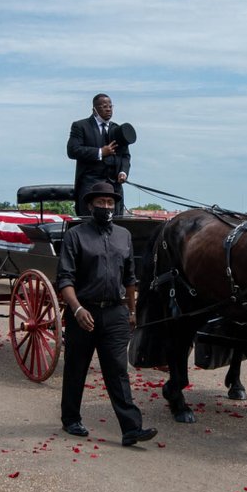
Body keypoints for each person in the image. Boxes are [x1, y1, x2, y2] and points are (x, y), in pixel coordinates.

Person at [56, 182, 157, 446]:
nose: (106, 207)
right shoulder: (75, 236)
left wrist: (131, 310)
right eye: (100, 203)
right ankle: (71, 419)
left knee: (117, 371)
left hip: (114, 313)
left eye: (110, 203)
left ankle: (131, 429)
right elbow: (65, 279)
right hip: (84, 312)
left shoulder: (123, 236)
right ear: (90, 205)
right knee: (76, 367)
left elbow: (131, 277)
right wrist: (76, 309)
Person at [67, 93, 130, 216]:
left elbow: (125, 156)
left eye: (110, 106)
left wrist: (123, 172)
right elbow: (72, 150)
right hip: (91, 183)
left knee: (117, 221)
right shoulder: (81, 126)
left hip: (114, 185)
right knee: (89, 221)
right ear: (94, 109)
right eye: (104, 106)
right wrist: (100, 152)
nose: (108, 109)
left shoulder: (117, 129)